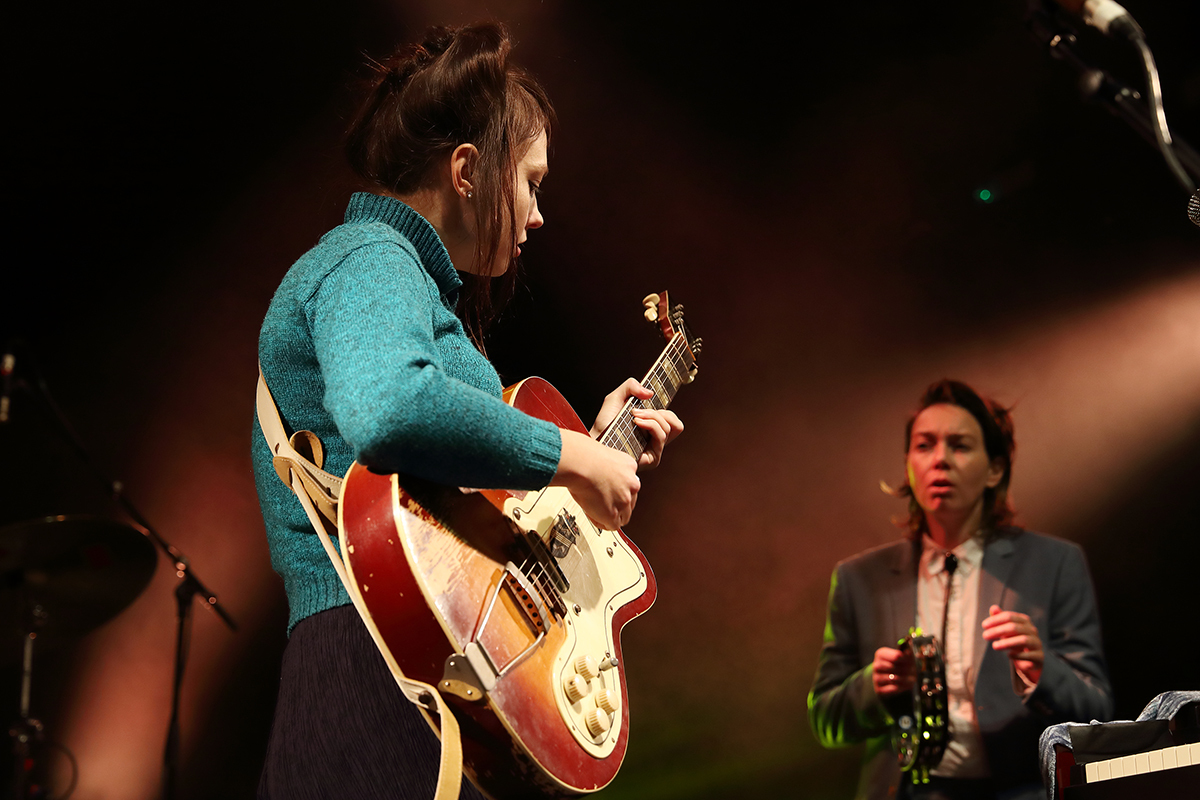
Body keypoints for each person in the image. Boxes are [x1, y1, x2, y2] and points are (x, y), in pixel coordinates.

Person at [251, 22, 682, 799]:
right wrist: (574, 455)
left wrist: (591, 437)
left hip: (407, 664)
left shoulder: (397, 278)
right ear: (467, 170)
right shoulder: (369, 260)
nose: (539, 213)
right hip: (369, 665)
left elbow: (454, 493)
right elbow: (391, 408)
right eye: (532, 181)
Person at [807, 379, 1112, 800]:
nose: (940, 461)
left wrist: (1043, 671)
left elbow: (1098, 710)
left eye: (960, 446)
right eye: (924, 445)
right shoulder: (859, 577)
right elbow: (825, 720)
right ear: (908, 463)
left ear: (995, 469)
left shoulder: (1055, 563)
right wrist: (872, 686)